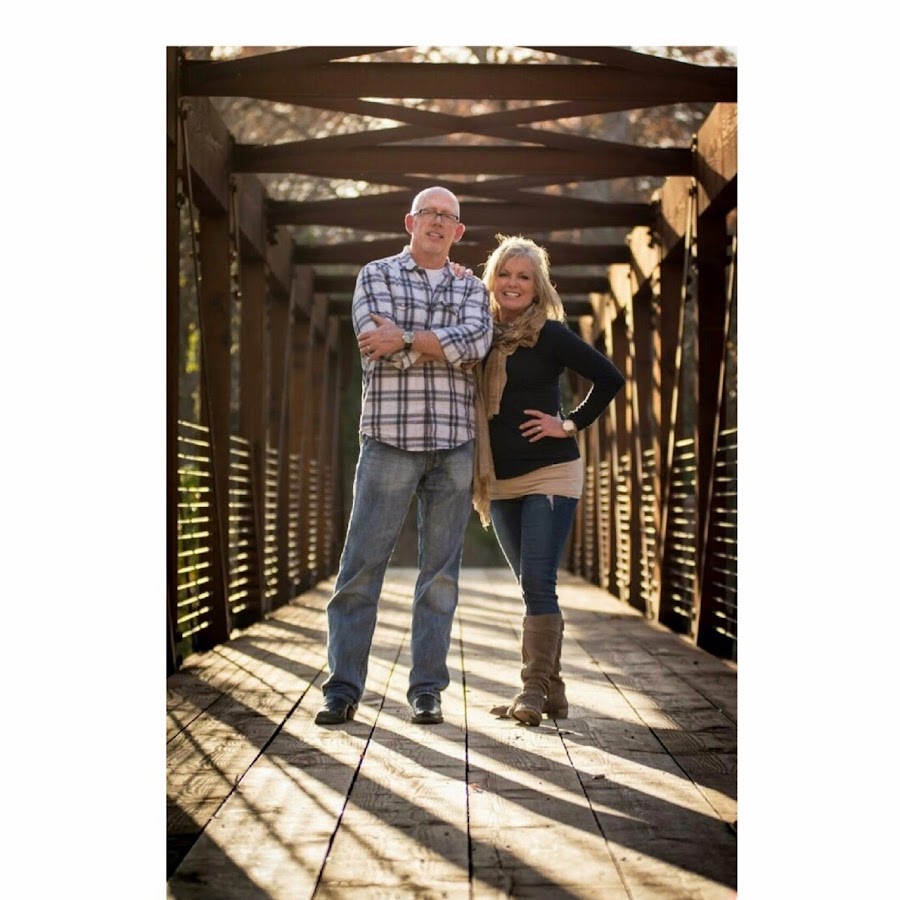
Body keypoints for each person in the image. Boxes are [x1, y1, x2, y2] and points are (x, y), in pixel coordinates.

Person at [315, 186, 493, 726]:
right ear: (410, 222)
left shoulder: (472, 286)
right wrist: (440, 346)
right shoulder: (376, 274)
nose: (437, 221)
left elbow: (477, 345)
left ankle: (427, 691)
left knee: (440, 578)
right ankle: (342, 689)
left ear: (458, 232)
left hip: (453, 443)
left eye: (448, 216)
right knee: (361, 569)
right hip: (389, 440)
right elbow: (377, 346)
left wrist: (409, 338)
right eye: (428, 213)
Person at [472, 234, 625, 726]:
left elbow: (610, 378)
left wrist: (569, 423)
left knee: (539, 581)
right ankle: (552, 691)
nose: (513, 283)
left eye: (524, 276)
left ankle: (533, 689)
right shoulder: (477, 333)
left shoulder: (551, 334)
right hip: (499, 478)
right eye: (504, 273)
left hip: (552, 472)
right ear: (491, 279)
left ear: (538, 287)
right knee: (530, 585)